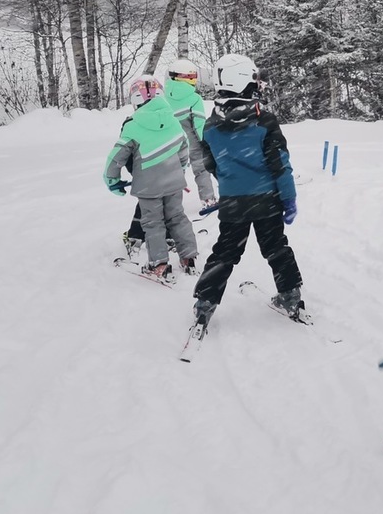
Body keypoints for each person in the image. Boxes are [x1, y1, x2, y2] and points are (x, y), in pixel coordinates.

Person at [192, 53, 304, 329]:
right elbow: (280, 164)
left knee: (226, 252)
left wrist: (231, 180)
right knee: (275, 246)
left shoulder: (211, 125)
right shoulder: (263, 120)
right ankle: (290, 294)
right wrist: (288, 197)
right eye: (253, 78)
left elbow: (210, 163)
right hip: (266, 199)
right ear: (243, 80)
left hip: (233, 203)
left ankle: (206, 302)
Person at [104, 75, 199, 280]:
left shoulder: (132, 125)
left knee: (153, 222)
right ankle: (188, 258)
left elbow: (116, 158)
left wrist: (111, 180)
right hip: (173, 182)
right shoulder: (173, 122)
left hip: (148, 187)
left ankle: (159, 264)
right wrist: (180, 170)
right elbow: (184, 149)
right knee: (177, 217)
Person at [121, 58, 215, 258]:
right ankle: (205, 203)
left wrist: (135, 172)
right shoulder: (191, 100)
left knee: (150, 209)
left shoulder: (134, 121)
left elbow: (124, 153)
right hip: (178, 156)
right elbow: (197, 125)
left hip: (151, 165)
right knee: (175, 207)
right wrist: (205, 143)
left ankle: (139, 238)